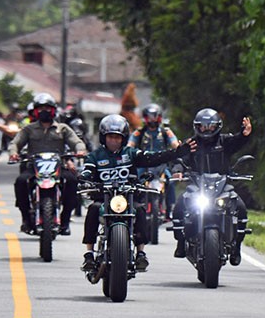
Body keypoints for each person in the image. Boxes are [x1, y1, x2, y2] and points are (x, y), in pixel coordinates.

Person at [79, 114, 195, 272]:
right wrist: (84, 179)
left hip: (128, 200)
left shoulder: (131, 153)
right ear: (103, 138)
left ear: (124, 138)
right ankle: (89, 254)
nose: (114, 141)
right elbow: (87, 171)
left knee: (140, 210)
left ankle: (141, 253)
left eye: (117, 138)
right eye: (110, 137)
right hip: (104, 200)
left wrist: (178, 152)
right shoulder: (95, 156)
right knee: (93, 209)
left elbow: (155, 158)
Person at [171, 108, 252, 265]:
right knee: (179, 207)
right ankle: (181, 243)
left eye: (211, 126)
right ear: (197, 127)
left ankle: (236, 248)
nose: (207, 129)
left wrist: (244, 135)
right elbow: (180, 159)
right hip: (197, 186)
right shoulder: (191, 143)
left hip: (222, 186)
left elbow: (238, 141)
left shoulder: (224, 141)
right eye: (203, 126)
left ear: (217, 127)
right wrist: (178, 171)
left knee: (240, 208)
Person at [8, 93, 86, 236]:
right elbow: (15, 143)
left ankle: (65, 220)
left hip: (58, 167)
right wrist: (13, 152)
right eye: (41, 108)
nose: (45, 111)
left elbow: (76, 142)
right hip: (34, 167)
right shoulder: (28, 129)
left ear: (54, 110)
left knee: (72, 181)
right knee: (20, 182)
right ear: (35, 111)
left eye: (48, 108)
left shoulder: (63, 128)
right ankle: (25, 218)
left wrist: (80, 150)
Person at [128, 103, 180, 219]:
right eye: (150, 116)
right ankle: (133, 206)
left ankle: (170, 209)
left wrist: (178, 149)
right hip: (144, 163)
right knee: (135, 182)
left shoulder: (166, 131)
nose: (152, 119)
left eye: (155, 116)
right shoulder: (140, 132)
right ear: (145, 117)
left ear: (159, 117)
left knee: (170, 182)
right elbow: (130, 145)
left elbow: (174, 143)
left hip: (161, 163)